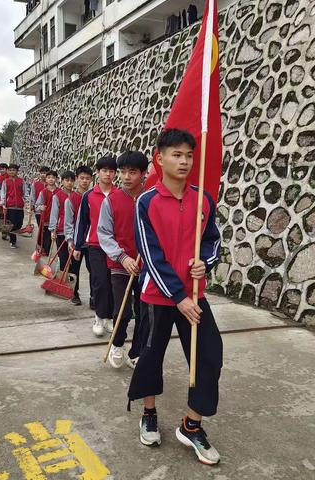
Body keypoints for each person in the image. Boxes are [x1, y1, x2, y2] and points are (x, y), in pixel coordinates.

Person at [127, 129, 222, 465]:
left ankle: (191, 426)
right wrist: (178, 294)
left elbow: (213, 240)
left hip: (195, 296)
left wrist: (205, 261)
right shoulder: (146, 201)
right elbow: (150, 254)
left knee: (209, 355)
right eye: (177, 155)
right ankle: (149, 413)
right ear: (160, 158)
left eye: (189, 155)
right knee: (150, 357)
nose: (184, 161)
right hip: (159, 296)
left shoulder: (203, 199)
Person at [98, 151, 148, 369]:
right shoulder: (112, 201)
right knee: (123, 311)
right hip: (120, 265)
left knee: (146, 314)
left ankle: (136, 351)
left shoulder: (152, 198)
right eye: (123, 171)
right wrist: (123, 256)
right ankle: (117, 344)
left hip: (148, 268)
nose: (126, 177)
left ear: (143, 174)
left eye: (133, 172)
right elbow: (104, 233)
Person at [74, 155, 117, 337]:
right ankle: (99, 317)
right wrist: (77, 246)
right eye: (104, 170)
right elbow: (82, 222)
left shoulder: (120, 194)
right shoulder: (89, 196)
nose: (108, 174)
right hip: (95, 245)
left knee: (113, 283)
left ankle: (109, 318)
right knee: (99, 282)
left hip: (116, 248)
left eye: (111, 171)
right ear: (97, 173)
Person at [65, 165, 93, 306]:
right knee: (74, 269)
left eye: (87, 178)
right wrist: (70, 240)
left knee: (94, 270)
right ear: (76, 179)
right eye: (82, 178)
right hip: (77, 241)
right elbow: (68, 222)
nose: (84, 181)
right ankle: (74, 293)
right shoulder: (71, 199)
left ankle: (94, 297)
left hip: (92, 241)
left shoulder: (94, 197)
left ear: (91, 180)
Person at [49, 171, 75, 271]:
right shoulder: (57, 196)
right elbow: (54, 213)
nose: (69, 183)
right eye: (67, 180)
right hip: (61, 231)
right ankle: (61, 278)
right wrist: (52, 230)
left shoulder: (75, 196)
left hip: (73, 232)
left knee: (72, 258)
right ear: (62, 181)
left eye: (72, 181)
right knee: (63, 257)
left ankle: (69, 279)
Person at [0, 164, 30, 249]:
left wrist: (27, 202)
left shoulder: (21, 181)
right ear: (8, 171)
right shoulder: (5, 182)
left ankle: (9, 233)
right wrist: (3, 203)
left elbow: (25, 192)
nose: (12, 172)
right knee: (12, 224)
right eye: (10, 170)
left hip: (20, 206)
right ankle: (13, 241)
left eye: (14, 170)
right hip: (10, 206)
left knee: (19, 224)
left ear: (17, 171)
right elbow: (3, 193)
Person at [35, 170, 60, 256]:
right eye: (49, 177)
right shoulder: (43, 192)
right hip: (46, 219)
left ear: (56, 179)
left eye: (53, 177)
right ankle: (45, 253)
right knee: (46, 240)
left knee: (57, 241)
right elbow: (37, 206)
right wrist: (40, 207)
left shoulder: (60, 192)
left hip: (58, 221)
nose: (51, 179)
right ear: (46, 179)